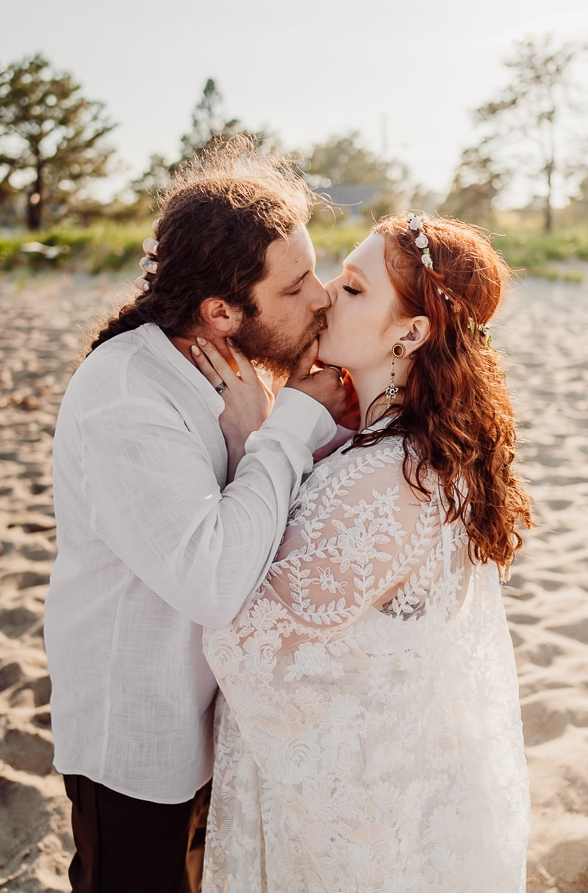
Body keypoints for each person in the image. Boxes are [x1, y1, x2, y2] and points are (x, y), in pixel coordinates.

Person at [44, 138, 348, 893]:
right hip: (140, 736)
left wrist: (257, 437)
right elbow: (212, 580)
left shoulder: (230, 370)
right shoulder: (128, 397)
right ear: (219, 311)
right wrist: (283, 429)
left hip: (218, 717)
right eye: (297, 285)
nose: (323, 295)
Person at [200, 213, 533, 891]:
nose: (323, 294)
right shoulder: (406, 447)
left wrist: (251, 442)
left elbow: (244, 630)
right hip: (400, 779)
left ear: (410, 333)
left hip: (354, 818)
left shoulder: (388, 476)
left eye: (352, 289)